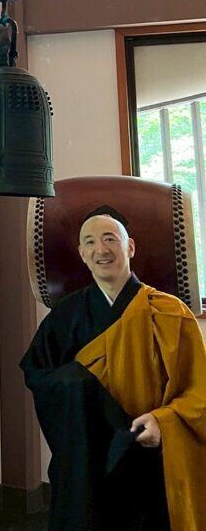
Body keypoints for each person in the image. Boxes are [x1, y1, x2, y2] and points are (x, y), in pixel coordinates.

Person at [21, 206, 206, 531]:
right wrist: (78, 386)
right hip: (85, 460)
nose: (101, 249)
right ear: (82, 253)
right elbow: (38, 375)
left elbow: (199, 391)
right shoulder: (63, 317)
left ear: (129, 246)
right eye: (90, 242)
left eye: (110, 238)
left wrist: (164, 422)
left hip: (147, 455)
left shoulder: (169, 312)